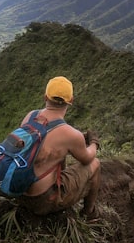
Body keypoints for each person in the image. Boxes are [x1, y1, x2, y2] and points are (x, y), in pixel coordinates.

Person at [17, 76, 102, 219]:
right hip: (43, 200)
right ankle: (89, 213)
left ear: (45, 97)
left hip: (19, 192)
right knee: (96, 164)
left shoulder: (30, 116)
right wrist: (94, 143)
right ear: (71, 101)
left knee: (58, 158)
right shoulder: (70, 134)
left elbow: (41, 143)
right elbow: (87, 158)